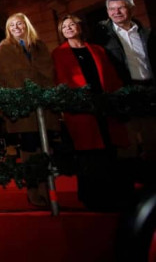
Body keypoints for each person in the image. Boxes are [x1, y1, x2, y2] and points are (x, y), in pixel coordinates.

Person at [52, 14, 132, 211]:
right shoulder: (58, 53)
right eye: (65, 27)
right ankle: (92, 195)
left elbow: (111, 76)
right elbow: (59, 81)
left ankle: (115, 193)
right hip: (80, 108)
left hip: (104, 105)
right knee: (88, 153)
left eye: (72, 25)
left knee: (109, 149)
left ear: (81, 27)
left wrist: (117, 98)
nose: (69, 28)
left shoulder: (97, 50)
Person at [0, 12, 60, 207]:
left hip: (43, 102)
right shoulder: (5, 47)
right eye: (12, 25)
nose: (16, 28)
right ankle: (33, 190)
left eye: (20, 24)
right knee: (29, 146)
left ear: (27, 25)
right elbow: (6, 74)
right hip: (23, 104)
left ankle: (47, 189)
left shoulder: (39, 45)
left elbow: (48, 69)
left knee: (46, 146)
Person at [93, 0, 155, 185]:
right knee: (126, 144)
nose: (116, 12)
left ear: (131, 9)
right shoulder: (102, 36)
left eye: (121, 8)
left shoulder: (146, 33)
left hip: (149, 90)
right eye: (112, 9)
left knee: (152, 141)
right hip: (122, 93)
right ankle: (129, 189)